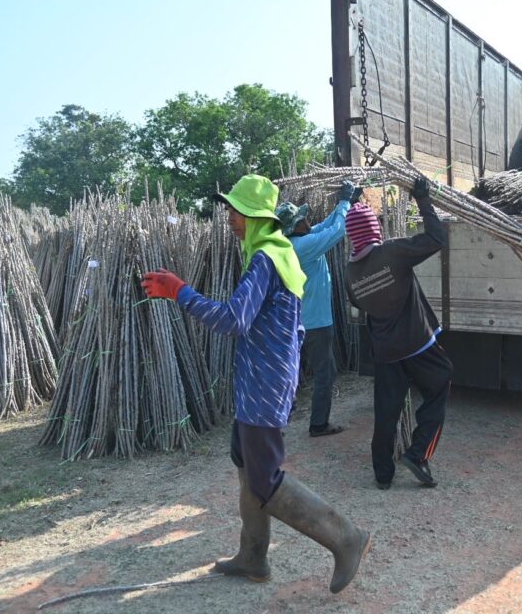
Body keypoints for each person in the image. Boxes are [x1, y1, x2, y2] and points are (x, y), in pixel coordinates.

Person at [141, 174, 370, 593]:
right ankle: (253, 557)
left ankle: (346, 537)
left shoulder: (266, 257)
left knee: (263, 477)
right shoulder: (271, 253)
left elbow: (233, 319)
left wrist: (181, 292)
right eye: (231, 209)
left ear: (255, 217)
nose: (229, 217)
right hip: (258, 378)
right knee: (245, 464)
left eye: (236, 210)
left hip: (264, 382)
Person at [344, 177, 453, 490]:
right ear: (375, 230)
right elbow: (436, 238)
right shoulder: (392, 253)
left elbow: (358, 303)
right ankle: (417, 454)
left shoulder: (351, 273)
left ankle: (382, 474)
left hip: (385, 351)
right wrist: (423, 200)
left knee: (386, 411)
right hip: (418, 344)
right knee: (441, 380)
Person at [275, 180, 362, 437]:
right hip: (315, 324)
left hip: (297, 321)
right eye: (302, 219)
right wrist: (345, 203)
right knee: (325, 374)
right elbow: (336, 232)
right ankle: (319, 424)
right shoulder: (302, 246)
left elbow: (326, 225)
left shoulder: (295, 242)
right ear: (294, 226)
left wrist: (345, 202)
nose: (307, 220)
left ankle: (274, 425)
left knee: (289, 375)